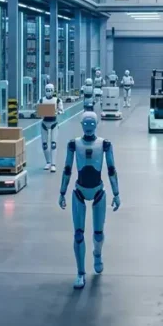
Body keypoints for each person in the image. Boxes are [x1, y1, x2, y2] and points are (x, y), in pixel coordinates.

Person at [59, 112, 120, 289]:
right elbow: (67, 168)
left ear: (96, 123)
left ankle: (97, 254)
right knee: (78, 234)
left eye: (91, 122)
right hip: (79, 190)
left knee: (98, 233)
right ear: (82, 124)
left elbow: (111, 169)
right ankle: (80, 273)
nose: (88, 124)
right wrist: (62, 192)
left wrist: (116, 193)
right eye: (86, 122)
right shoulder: (74, 144)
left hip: (98, 191)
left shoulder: (104, 144)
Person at [40, 83, 64, 172]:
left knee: (53, 144)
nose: (48, 92)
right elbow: (38, 111)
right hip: (44, 123)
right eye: (47, 90)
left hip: (54, 123)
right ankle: (48, 162)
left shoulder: (57, 100)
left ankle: (53, 164)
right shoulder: (41, 100)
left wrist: (57, 112)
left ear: (53, 90)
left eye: (50, 90)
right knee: (44, 144)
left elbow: (61, 110)